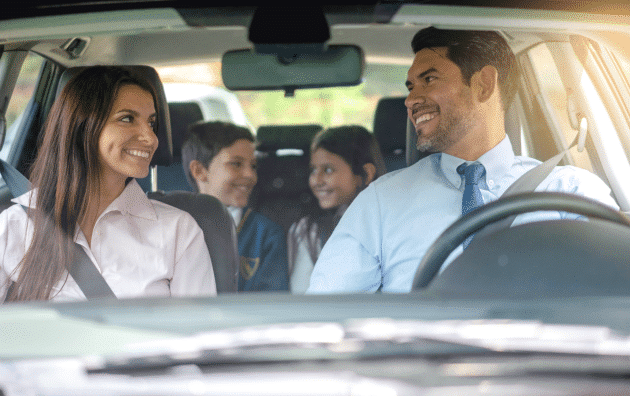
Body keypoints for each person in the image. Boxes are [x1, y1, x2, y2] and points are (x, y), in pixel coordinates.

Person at [307, 27, 619, 294]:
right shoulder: (380, 202)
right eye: (411, 86)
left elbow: (615, 294)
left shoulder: (571, 192)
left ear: (484, 83)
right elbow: (325, 310)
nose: (411, 99)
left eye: (429, 79)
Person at [0, 66, 217, 302]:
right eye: (127, 119)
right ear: (81, 127)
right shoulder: (14, 225)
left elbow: (196, 331)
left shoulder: (178, 231)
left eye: (152, 123)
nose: (150, 137)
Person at [181, 121, 289, 291]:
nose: (250, 175)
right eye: (236, 164)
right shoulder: (175, 228)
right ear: (200, 171)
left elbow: (271, 304)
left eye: (253, 166)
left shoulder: (266, 234)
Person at [287, 126, 387, 293]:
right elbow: (303, 297)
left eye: (328, 170)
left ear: (366, 174)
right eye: (313, 170)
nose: (316, 180)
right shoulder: (310, 231)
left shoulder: (387, 223)